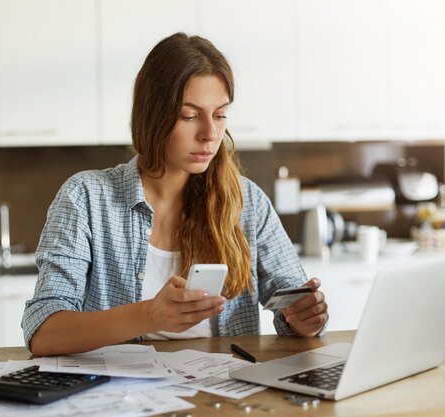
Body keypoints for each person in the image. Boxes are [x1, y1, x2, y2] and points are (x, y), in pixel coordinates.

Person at [22, 32, 328, 356]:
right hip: (123, 400)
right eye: (189, 116)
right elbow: (43, 332)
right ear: (153, 116)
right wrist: (148, 316)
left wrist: (305, 319)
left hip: (223, 399)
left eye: (220, 114)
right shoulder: (85, 199)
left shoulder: (247, 202)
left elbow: (298, 309)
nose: (210, 134)